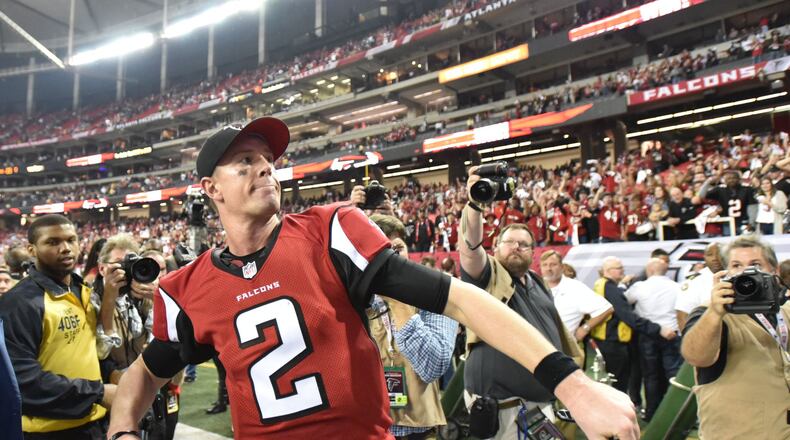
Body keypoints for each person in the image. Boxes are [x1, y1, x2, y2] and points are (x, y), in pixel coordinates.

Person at [107, 118, 638, 440]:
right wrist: (125, 428)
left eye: (268, 160)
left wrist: (574, 384)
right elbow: (141, 376)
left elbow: (462, 300)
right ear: (211, 189)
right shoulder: (187, 287)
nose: (265, 168)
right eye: (244, 162)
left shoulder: (330, 231)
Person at [458, 169, 588, 440]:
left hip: (540, 406)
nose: (516, 247)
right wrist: (474, 205)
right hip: (503, 411)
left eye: (523, 244)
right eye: (509, 243)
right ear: (495, 247)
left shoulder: (538, 283)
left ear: (532, 252)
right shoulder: (489, 275)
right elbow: (470, 249)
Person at [0, 214, 115, 439]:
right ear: (31, 250)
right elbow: (22, 380)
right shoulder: (19, 303)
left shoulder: (82, 290)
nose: (65, 248)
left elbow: (87, 351)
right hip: (48, 432)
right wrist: (98, 393)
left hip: (93, 423)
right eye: (53, 242)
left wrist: (112, 374)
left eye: (71, 240)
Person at [681, 235, 790, 439]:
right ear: (725, 273)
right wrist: (714, 312)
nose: (746, 273)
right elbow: (695, 356)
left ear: (773, 272)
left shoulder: (783, 313)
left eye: (755, 264)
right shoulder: (711, 315)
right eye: (736, 265)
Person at [367, 214, 457, 439]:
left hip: (420, 429)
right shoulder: (355, 302)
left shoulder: (433, 296)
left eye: (397, 247)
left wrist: (398, 302)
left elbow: (434, 366)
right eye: (381, 250)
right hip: (369, 428)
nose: (391, 257)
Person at [590, 257, 676, 396]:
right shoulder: (612, 289)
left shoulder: (602, 285)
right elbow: (629, 317)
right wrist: (658, 329)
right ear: (608, 271)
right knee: (621, 383)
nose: (623, 271)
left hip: (607, 340)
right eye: (619, 268)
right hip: (615, 343)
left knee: (642, 377)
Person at [623, 258, 682, 421]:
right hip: (672, 333)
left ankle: (652, 413)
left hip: (649, 335)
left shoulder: (640, 287)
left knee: (651, 376)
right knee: (673, 376)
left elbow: (625, 301)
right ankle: (675, 413)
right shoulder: (676, 287)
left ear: (649, 270)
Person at [539, 250, 613, 340]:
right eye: (544, 265)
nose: (548, 268)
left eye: (553, 264)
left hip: (562, 346)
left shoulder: (575, 287)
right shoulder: (533, 285)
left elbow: (606, 308)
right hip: (535, 344)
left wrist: (585, 329)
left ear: (562, 267)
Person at [675, 243, 723, 329]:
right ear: (704, 257)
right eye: (710, 255)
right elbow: (683, 316)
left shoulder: (738, 276)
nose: (715, 258)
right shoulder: (694, 282)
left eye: (719, 254)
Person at [699, 170, 754, 235]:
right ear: (724, 180)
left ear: (739, 179)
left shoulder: (746, 189)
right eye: (728, 178)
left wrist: (752, 222)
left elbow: (752, 206)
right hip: (727, 222)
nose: (731, 180)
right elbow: (702, 195)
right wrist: (708, 182)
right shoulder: (720, 189)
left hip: (744, 222)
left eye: (734, 178)